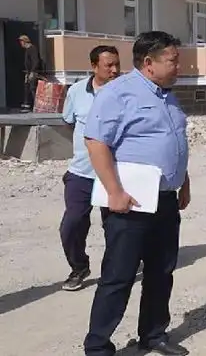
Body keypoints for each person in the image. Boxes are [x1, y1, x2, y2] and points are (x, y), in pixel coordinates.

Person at [82, 31, 190, 356]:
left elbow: (173, 141)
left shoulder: (167, 96)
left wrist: (183, 181)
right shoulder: (118, 93)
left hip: (165, 200)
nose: (179, 67)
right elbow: (96, 142)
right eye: (172, 61)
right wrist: (114, 191)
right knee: (119, 276)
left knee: (161, 272)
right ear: (148, 62)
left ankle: (153, 334)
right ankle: (98, 346)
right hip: (130, 202)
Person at [59, 45, 121, 291]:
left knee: (116, 227)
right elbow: (69, 122)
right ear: (94, 66)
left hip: (114, 174)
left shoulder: (125, 92)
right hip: (81, 172)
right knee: (72, 224)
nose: (115, 70)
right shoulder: (76, 91)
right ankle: (79, 267)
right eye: (109, 65)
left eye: (117, 64)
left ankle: (114, 271)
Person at [19, 34, 42, 111]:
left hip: (33, 72)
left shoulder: (32, 49)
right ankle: (27, 105)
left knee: (32, 88)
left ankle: (37, 106)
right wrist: (27, 73)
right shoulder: (27, 50)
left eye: (21, 41)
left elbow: (36, 61)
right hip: (28, 72)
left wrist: (32, 72)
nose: (20, 43)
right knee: (27, 88)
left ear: (24, 41)